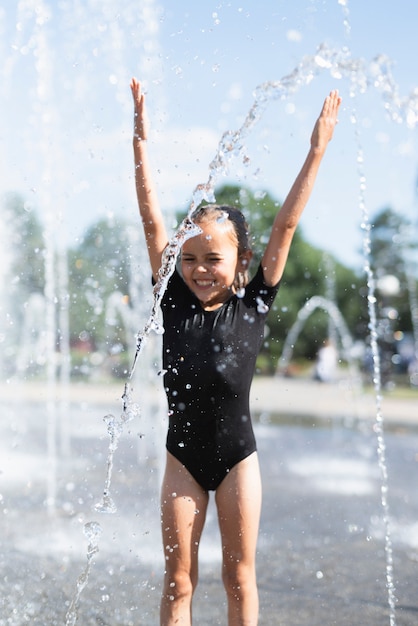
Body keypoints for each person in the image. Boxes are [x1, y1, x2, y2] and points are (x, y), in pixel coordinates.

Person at [130, 76, 341, 626]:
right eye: (191, 258)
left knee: (237, 577)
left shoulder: (254, 304)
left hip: (237, 462)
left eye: (214, 259)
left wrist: (316, 151)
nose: (200, 269)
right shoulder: (171, 301)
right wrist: (140, 143)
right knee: (178, 581)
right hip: (182, 460)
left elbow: (286, 224)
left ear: (240, 261)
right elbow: (153, 219)